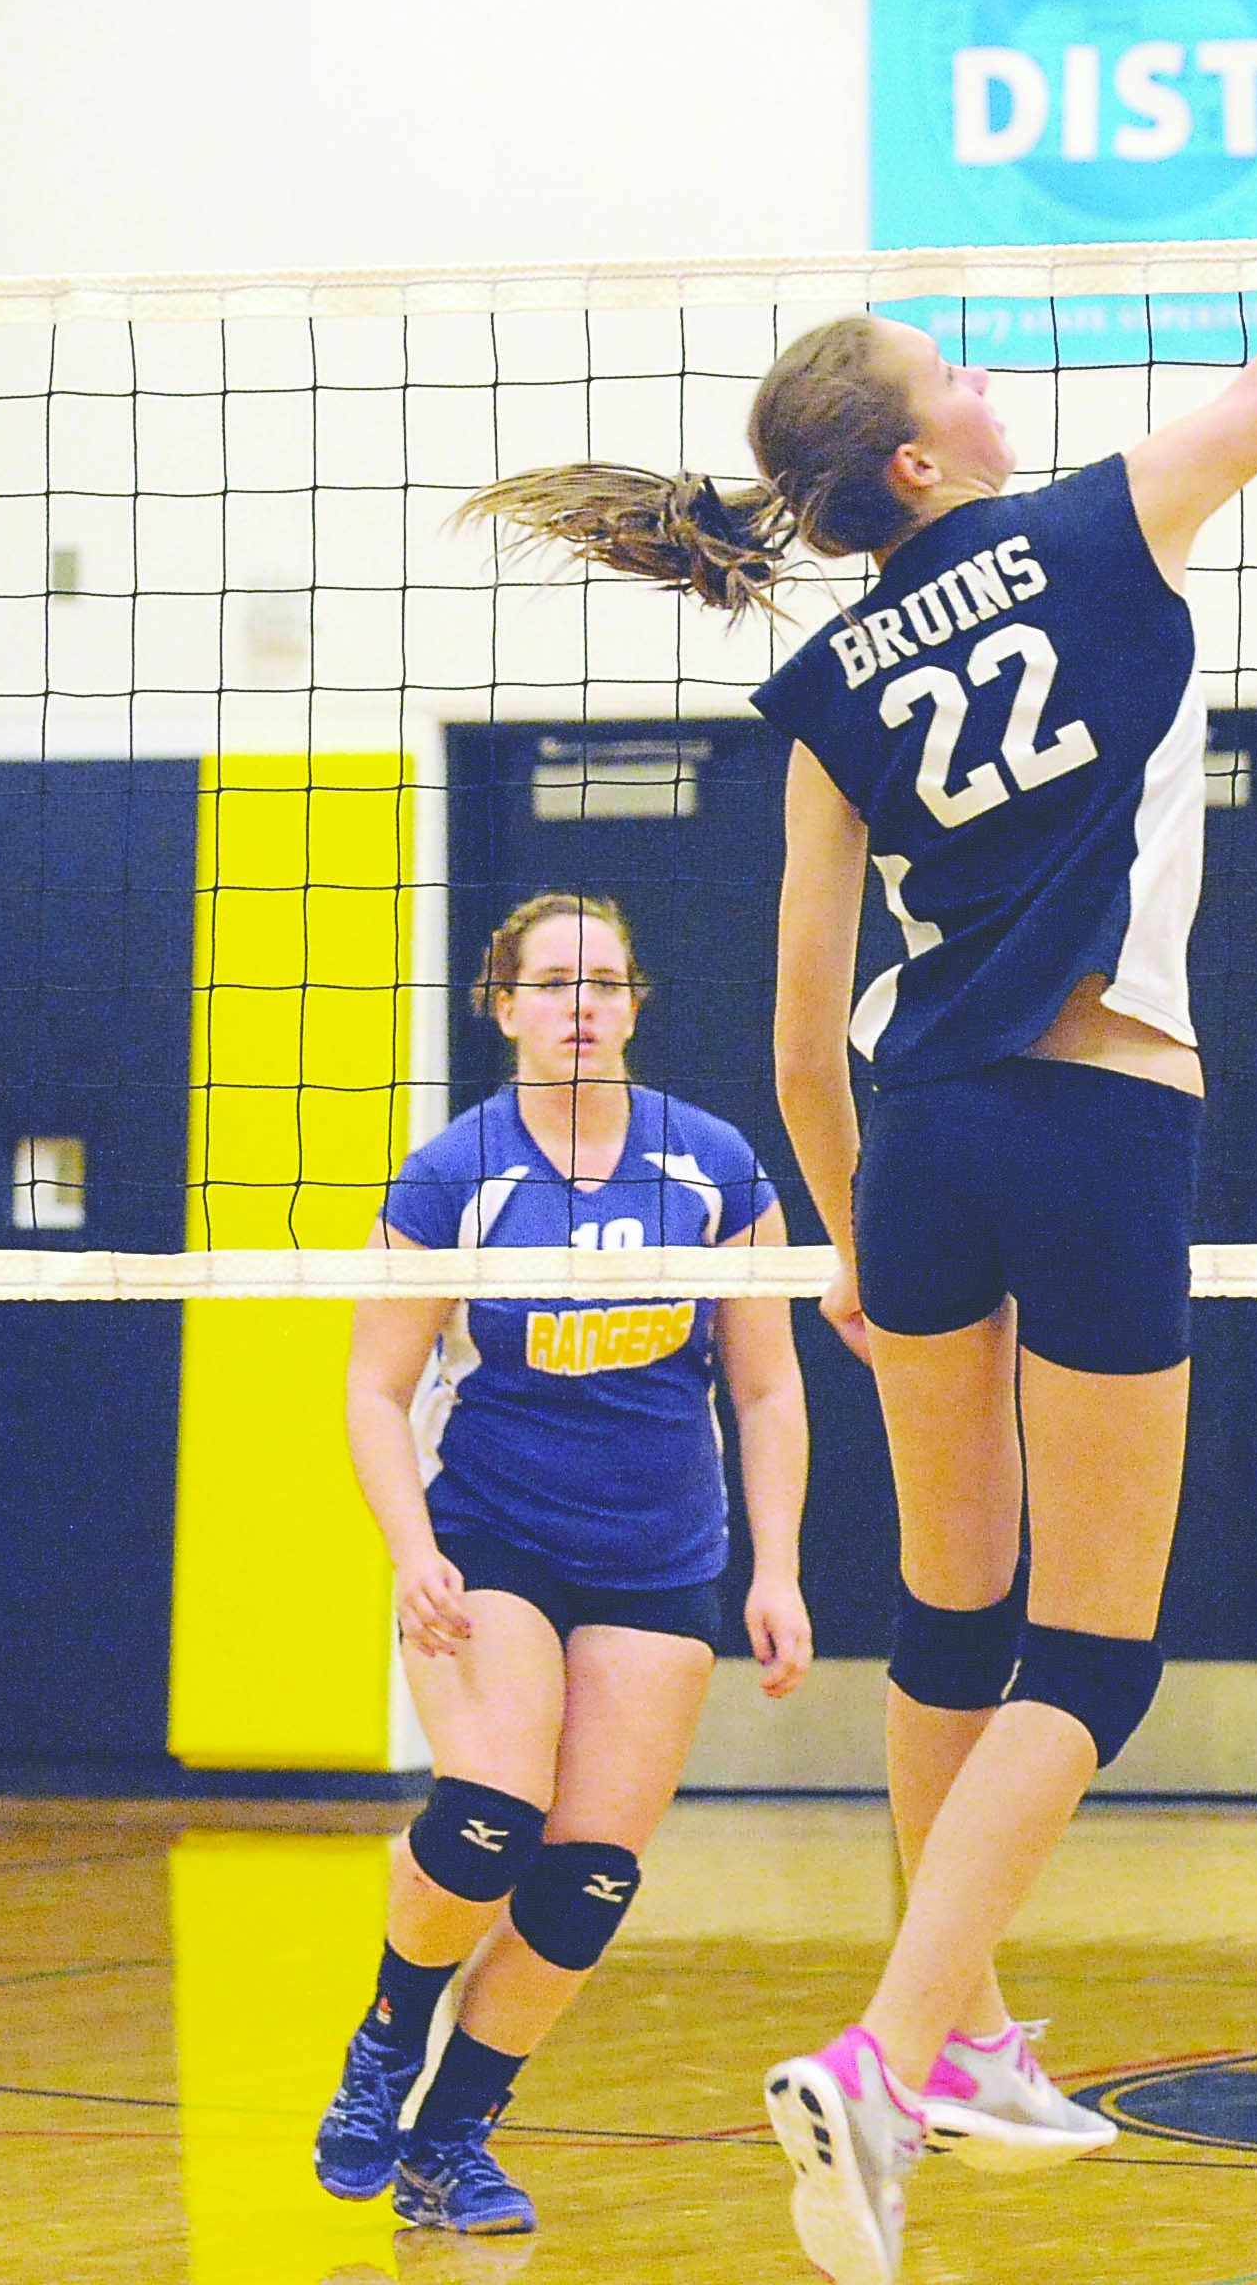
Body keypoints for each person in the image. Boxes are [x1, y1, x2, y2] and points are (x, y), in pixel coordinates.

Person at [473, 0, 1257, 2285]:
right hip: (1105, 1117)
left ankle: (970, 2035)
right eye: (962, 369)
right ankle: (883, 2044)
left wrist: (835, 1235)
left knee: (956, 1600)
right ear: (927, 451)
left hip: (920, 1145)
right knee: (1101, 1654)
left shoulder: (827, 672)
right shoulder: (1105, 521)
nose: (996, 380)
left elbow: (805, 1002)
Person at [311, 890, 815, 2236]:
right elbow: (374, 1387)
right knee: (486, 1820)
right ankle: (385, 2042)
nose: (579, 1004)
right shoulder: (455, 1172)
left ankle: (454, 2136)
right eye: (551, 983)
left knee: (587, 1880)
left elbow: (766, 1391)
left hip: (659, 1556)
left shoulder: (714, 1167)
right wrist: (411, 1548)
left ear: (635, 1003)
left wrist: (777, 1570)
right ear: (506, 1006)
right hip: (494, 1536)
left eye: (602, 982)